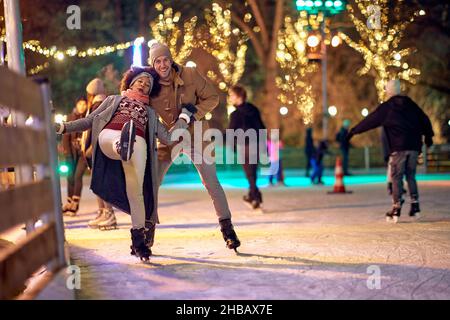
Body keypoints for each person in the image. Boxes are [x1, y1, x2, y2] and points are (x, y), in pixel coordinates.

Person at [56, 67, 193, 261]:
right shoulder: (114, 100)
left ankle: (139, 242)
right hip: (110, 137)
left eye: (148, 85)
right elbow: (90, 120)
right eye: (140, 81)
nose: (144, 85)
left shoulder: (150, 113)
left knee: (135, 192)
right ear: (131, 83)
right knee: (110, 138)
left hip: (137, 145)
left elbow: (169, 137)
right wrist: (63, 127)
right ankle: (121, 144)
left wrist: (184, 117)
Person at [147, 42, 241, 250]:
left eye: (165, 60)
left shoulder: (189, 74)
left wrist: (191, 113)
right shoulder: (150, 85)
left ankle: (228, 229)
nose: (162, 65)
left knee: (211, 181)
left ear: (171, 60)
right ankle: (147, 230)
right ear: (152, 64)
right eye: (157, 61)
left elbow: (213, 98)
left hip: (196, 134)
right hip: (169, 138)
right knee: (152, 182)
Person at [347, 79, 434, 222]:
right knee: (411, 176)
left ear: (388, 91)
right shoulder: (411, 104)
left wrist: (354, 131)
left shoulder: (387, 107)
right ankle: (415, 205)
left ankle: (396, 207)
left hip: (398, 148)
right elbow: (424, 119)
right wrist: (429, 136)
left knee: (396, 177)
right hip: (414, 147)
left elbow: (370, 120)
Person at [82, 78, 117, 230]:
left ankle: (108, 214)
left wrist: (92, 146)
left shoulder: (98, 105)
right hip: (99, 147)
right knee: (98, 182)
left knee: (101, 182)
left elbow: (99, 128)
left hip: (99, 148)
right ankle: (103, 212)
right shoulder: (102, 103)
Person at [228, 85, 267, 209]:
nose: (230, 98)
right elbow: (261, 127)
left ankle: (256, 196)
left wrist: (232, 146)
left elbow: (231, 132)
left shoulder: (235, 114)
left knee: (250, 174)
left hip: (244, 146)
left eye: (232, 95)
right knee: (252, 173)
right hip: (255, 144)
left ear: (239, 96)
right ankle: (252, 196)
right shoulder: (254, 109)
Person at [61, 97, 88, 215]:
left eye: (84, 104)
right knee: (70, 176)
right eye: (80, 104)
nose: (82, 106)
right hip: (71, 152)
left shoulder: (88, 118)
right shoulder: (70, 117)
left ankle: (75, 204)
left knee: (77, 176)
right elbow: (65, 135)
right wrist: (66, 151)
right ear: (76, 105)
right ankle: (69, 201)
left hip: (83, 153)